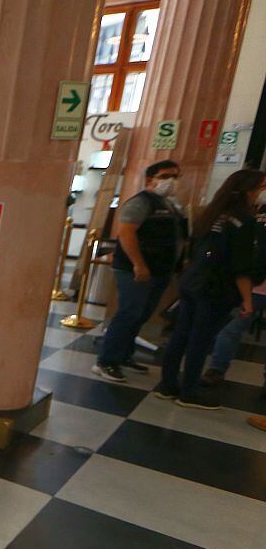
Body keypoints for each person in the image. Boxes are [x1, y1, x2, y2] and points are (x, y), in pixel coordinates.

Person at [154, 170, 266, 409]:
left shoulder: (213, 213)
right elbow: (241, 266)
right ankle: (189, 392)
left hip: (193, 282)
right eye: (261, 187)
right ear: (249, 190)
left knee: (181, 335)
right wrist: (247, 300)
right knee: (200, 340)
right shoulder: (244, 222)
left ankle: (167, 385)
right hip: (216, 288)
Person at [92, 159, 186, 383]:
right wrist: (139, 263)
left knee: (141, 315)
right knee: (129, 313)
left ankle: (124, 355)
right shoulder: (141, 202)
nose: (171, 181)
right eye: (165, 176)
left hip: (159, 270)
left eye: (175, 176)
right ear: (150, 179)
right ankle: (106, 361)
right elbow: (126, 233)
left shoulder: (170, 204)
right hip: (136, 269)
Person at [203, 198, 266, 385]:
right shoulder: (256, 215)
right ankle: (216, 369)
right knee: (231, 328)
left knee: (231, 329)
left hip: (254, 283)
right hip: (255, 285)